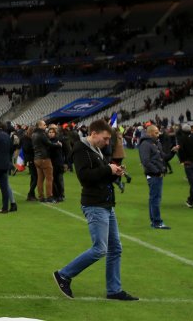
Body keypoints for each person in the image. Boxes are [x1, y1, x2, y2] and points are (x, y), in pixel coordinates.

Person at [53, 119, 137, 301]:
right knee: (100, 249)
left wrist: (114, 172)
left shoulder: (95, 150)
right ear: (93, 134)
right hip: (95, 205)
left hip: (105, 203)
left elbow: (100, 175)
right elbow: (84, 177)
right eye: (105, 138)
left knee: (115, 248)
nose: (107, 142)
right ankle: (64, 274)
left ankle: (114, 290)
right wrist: (108, 169)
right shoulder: (81, 150)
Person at [137, 124, 170, 229]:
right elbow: (145, 161)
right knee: (155, 199)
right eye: (156, 132)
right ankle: (157, 222)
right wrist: (157, 171)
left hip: (157, 174)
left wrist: (173, 152)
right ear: (150, 133)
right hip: (153, 175)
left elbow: (163, 157)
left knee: (154, 198)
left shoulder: (156, 143)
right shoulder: (145, 144)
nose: (158, 134)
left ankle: (154, 221)